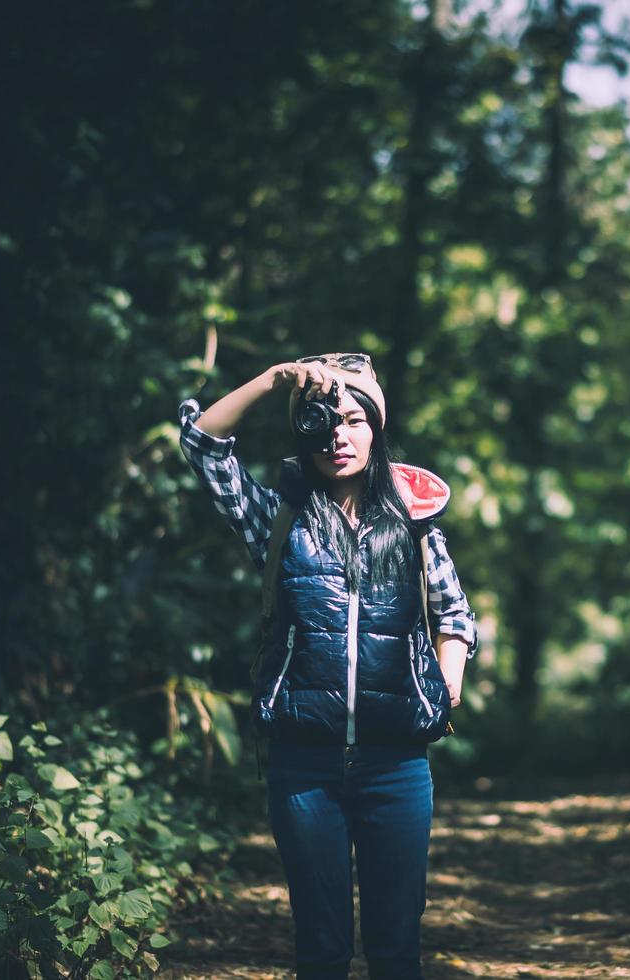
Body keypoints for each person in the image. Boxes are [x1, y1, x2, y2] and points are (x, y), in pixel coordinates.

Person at [176, 352, 478, 979]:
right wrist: (274, 379)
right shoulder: (279, 522)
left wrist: (447, 686)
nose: (339, 435)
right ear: (303, 433)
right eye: (322, 422)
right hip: (302, 765)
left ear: (376, 427)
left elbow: (454, 615)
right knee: (321, 948)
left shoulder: (414, 524)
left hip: (395, 765)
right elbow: (203, 444)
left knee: (397, 948)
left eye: (354, 419)